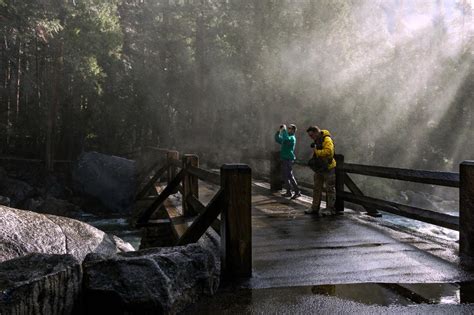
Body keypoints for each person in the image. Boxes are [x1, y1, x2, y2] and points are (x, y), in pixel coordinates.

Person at [305, 126, 336, 216]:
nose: (311, 137)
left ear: (316, 132)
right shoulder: (318, 139)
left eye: (311, 135)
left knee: (330, 189)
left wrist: (317, 152)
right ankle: (314, 208)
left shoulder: (327, 139)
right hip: (320, 168)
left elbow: (329, 151)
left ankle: (330, 209)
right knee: (316, 188)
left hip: (328, 168)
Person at [274, 124, 301, 199]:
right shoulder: (286, 137)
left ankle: (297, 192)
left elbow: (286, 139)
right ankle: (288, 192)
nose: (288, 129)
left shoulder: (292, 138)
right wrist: (278, 131)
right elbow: (277, 139)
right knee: (285, 176)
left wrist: (284, 130)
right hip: (284, 158)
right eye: (288, 128)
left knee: (290, 176)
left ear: (293, 130)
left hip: (289, 159)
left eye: (289, 128)